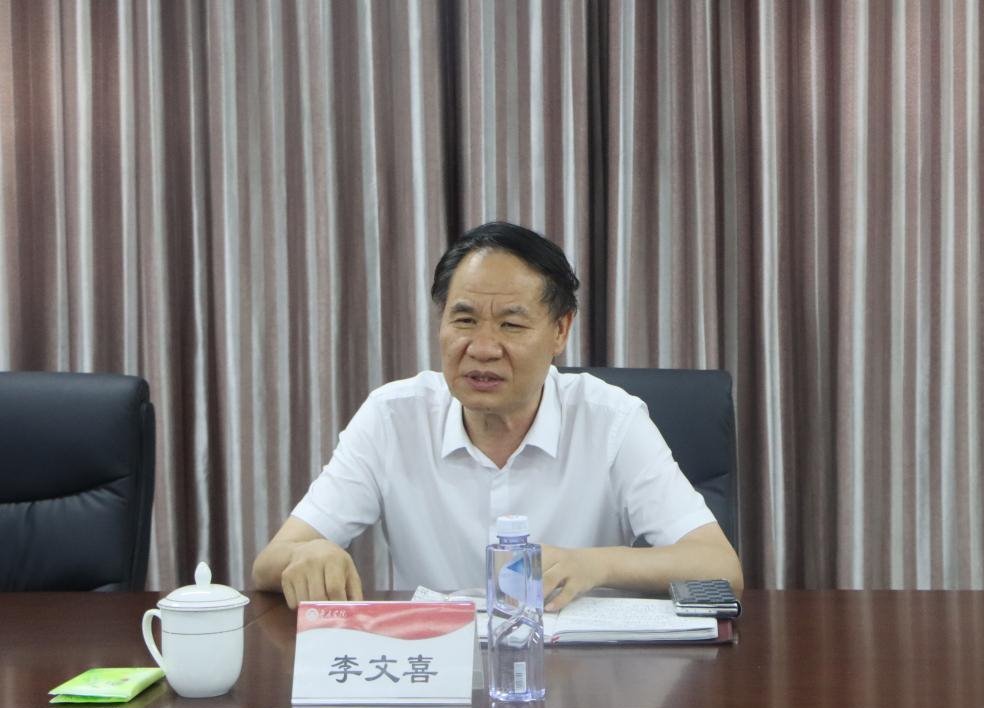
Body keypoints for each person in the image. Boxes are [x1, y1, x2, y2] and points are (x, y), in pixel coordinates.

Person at [253, 221, 743, 610]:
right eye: (464, 320)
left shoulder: (611, 421)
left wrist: (592, 566)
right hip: (437, 670)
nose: (482, 348)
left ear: (560, 330)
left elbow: (719, 566)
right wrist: (309, 553)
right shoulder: (392, 418)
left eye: (511, 325)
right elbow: (269, 563)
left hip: (578, 673)